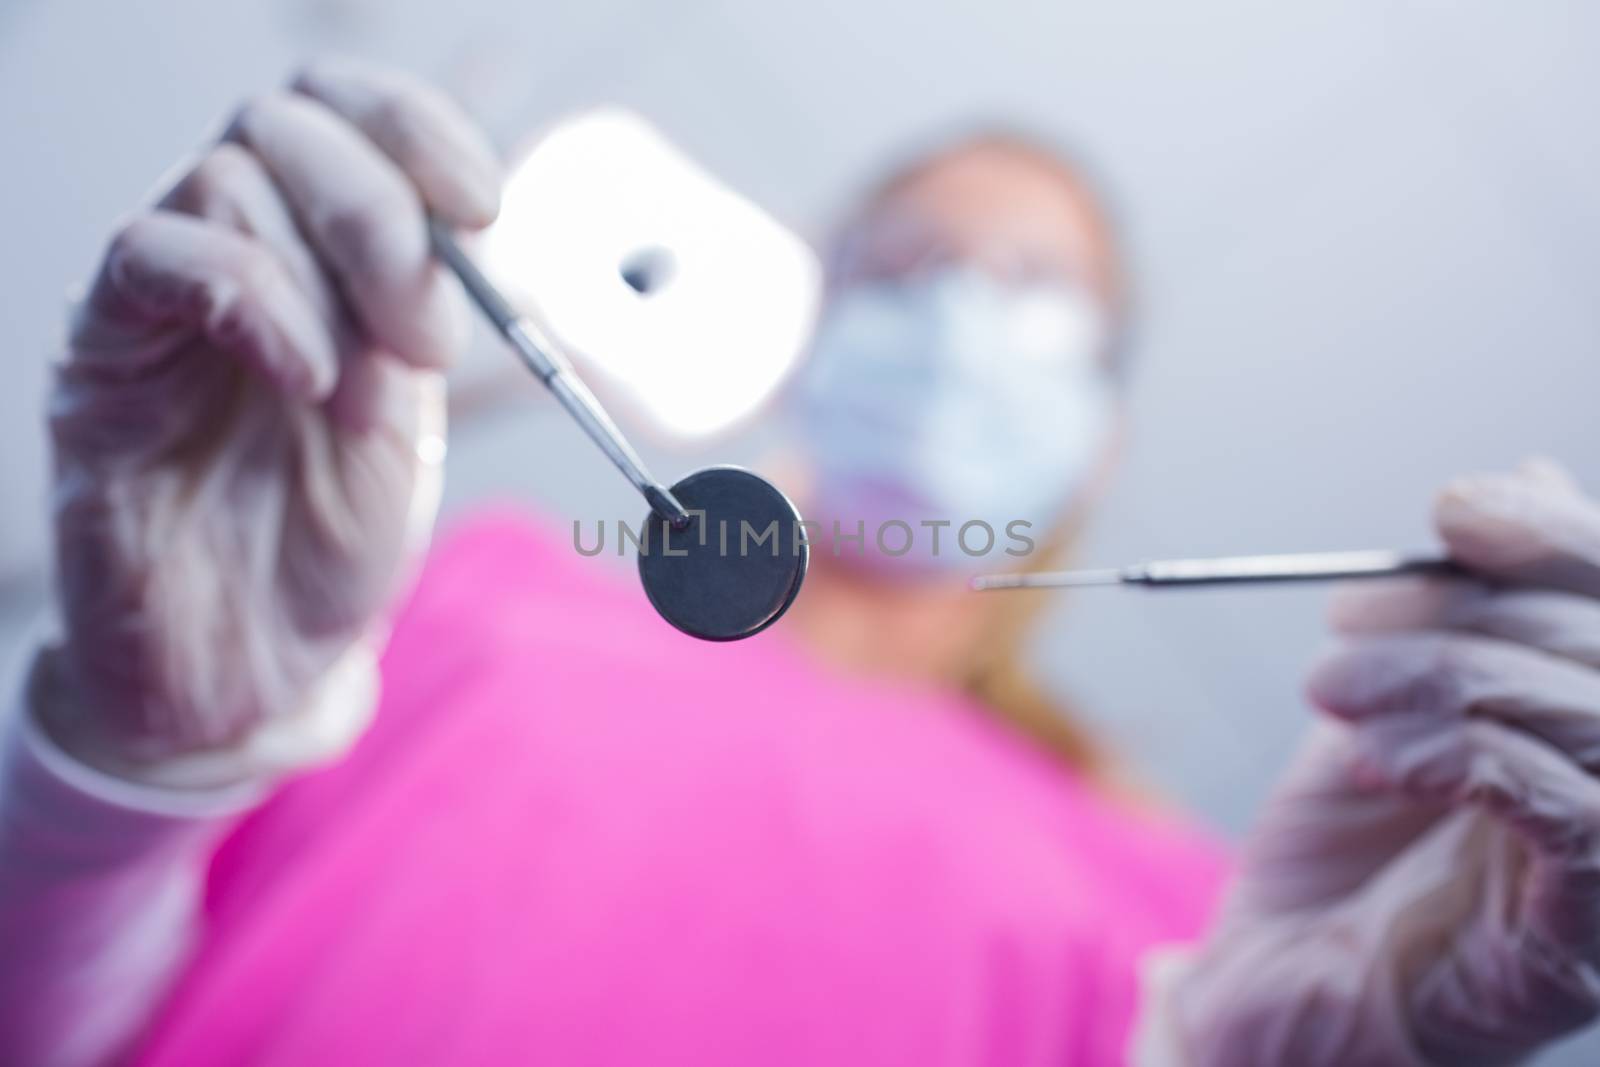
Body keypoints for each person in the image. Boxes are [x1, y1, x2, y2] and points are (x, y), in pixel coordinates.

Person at [2, 59, 1598, 1067]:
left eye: (1036, 297)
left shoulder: (1201, 918)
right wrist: (125, 768)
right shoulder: (475, 591)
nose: (962, 315)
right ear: (809, 331)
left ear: (1098, 439)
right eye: (906, 267)